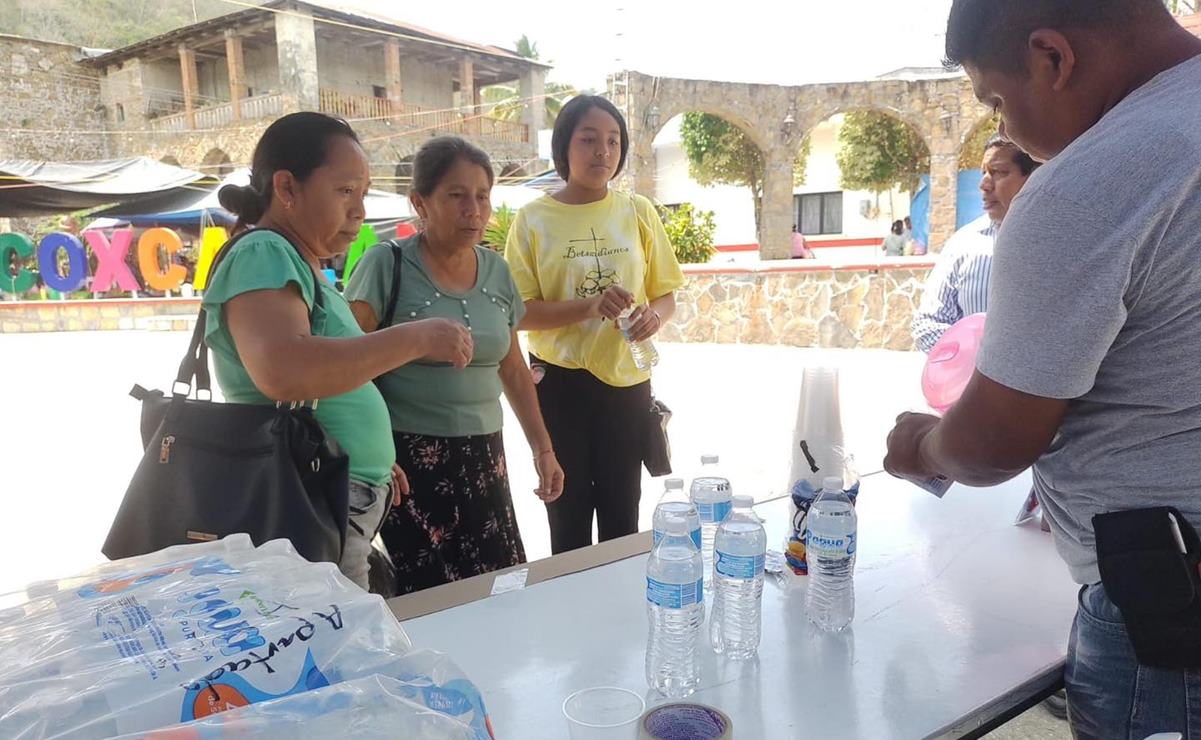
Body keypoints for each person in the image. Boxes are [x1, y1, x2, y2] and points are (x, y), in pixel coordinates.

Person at [884, 2, 1201, 738]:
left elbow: (994, 443)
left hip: (1171, 614)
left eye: (996, 100)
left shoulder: (1093, 184)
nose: (1004, 127)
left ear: (1052, 59)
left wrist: (923, 446)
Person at [202, 111, 428, 590]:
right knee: (344, 652)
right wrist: (417, 338)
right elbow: (284, 370)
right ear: (287, 188)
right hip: (308, 503)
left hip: (332, 493)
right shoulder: (263, 252)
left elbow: (324, 381)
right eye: (345, 191)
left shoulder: (298, 263)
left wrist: (368, 455)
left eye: (363, 194)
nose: (360, 211)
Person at [345, 136, 564, 594]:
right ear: (420, 202)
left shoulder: (497, 271)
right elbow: (346, 367)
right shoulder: (386, 266)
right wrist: (370, 453)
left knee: (500, 589)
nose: (474, 209)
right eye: (456, 195)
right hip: (409, 462)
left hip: (486, 459)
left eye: (483, 195)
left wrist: (543, 448)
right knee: (430, 595)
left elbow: (513, 370)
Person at [505, 95, 685, 554]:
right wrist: (588, 307)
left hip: (628, 383)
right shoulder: (532, 219)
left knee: (623, 514)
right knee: (566, 516)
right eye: (588, 139)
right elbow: (519, 311)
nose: (602, 151)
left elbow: (666, 295)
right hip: (559, 386)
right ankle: (572, 617)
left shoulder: (638, 211)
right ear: (564, 147)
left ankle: (618, 616)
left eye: (613, 141)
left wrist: (653, 317)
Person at [911, 138, 1040, 352]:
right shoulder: (963, 245)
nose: (985, 184)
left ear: (1033, 178)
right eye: (983, 173)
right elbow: (927, 323)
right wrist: (973, 356)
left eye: (998, 172)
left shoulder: (1058, 242)